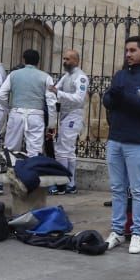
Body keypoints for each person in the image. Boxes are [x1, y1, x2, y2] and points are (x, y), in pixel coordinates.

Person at [101, 35, 140, 253]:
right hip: (115, 140)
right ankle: (117, 231)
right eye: (126, 50)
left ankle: (137, 233)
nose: (128, 54)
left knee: (137, 189)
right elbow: (108, 101)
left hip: (138, 142)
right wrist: (115, 95)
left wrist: (126, 95)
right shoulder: (120, 75)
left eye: (132, 50)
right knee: (117, 188)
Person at [48, 47, 89, 193]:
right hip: (65, 115)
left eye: (68, 59)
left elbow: (79, 97)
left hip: (74, 115)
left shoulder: (81, 77)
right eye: (64, 58)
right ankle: (70, 184)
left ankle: (61, 184)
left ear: (76, 61)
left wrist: (58, 92)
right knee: (69, 151)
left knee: (62, 149)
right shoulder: (66, 76)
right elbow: (54, 89)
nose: (65, 61)